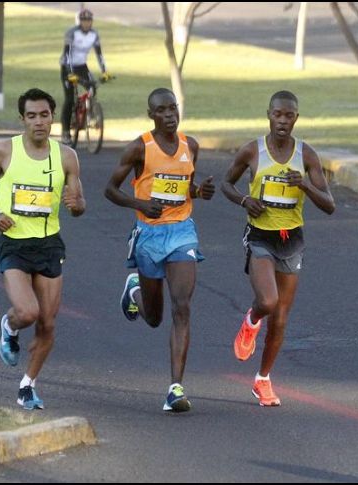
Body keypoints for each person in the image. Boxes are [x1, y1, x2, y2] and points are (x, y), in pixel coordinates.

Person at [0, 88, 86, 410]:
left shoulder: (66, 156)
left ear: (53, 118)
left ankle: (27, 385)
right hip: (14, 244)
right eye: (31, 116)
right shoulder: (4, 151)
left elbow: (78, 203)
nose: (39, 122)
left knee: (47, 323)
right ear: (22, 119)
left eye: (44, 115)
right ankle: (9, 326)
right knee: (28, 313)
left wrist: (77, 205)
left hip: (49, 244)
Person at [220, 91, 335, 406]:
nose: (283, 121)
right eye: (278, 115)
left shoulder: (306, 155)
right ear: (268, 115)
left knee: (282, 318)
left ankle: (263, 380)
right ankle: (251, 321)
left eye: (289, 116)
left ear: (296, 118)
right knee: (268, 301)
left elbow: (329, 205)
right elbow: (226, 184)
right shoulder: (252, 151)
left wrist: (305, 186)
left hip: (291, 240)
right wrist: (245, 200)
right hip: (260, 236)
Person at [105, 88, 215, 413]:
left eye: (173, 109)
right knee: (154, 318)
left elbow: (186, 186)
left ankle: (175, 388)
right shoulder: (139, 148)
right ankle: (135, 291)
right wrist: (139, 203)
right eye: (162, 111)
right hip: (149, 235)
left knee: (182, 307)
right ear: (151, 115)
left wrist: (200, 191)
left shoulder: (189, 145)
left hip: (182, 231)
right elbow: (110, 189)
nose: (169, 115)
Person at [59, 8, 110, 146]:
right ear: (80, 21)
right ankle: (65, 132)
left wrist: (104, 71)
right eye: (84, 20)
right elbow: (67, 54)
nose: (87, 23)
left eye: (89, 21)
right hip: (67, 67)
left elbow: (99, 54)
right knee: (69, 99)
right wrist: (70, 73)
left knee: (93, 86)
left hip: (81, 66)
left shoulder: (94, 34)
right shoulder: (72, 33)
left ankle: (90, 113)